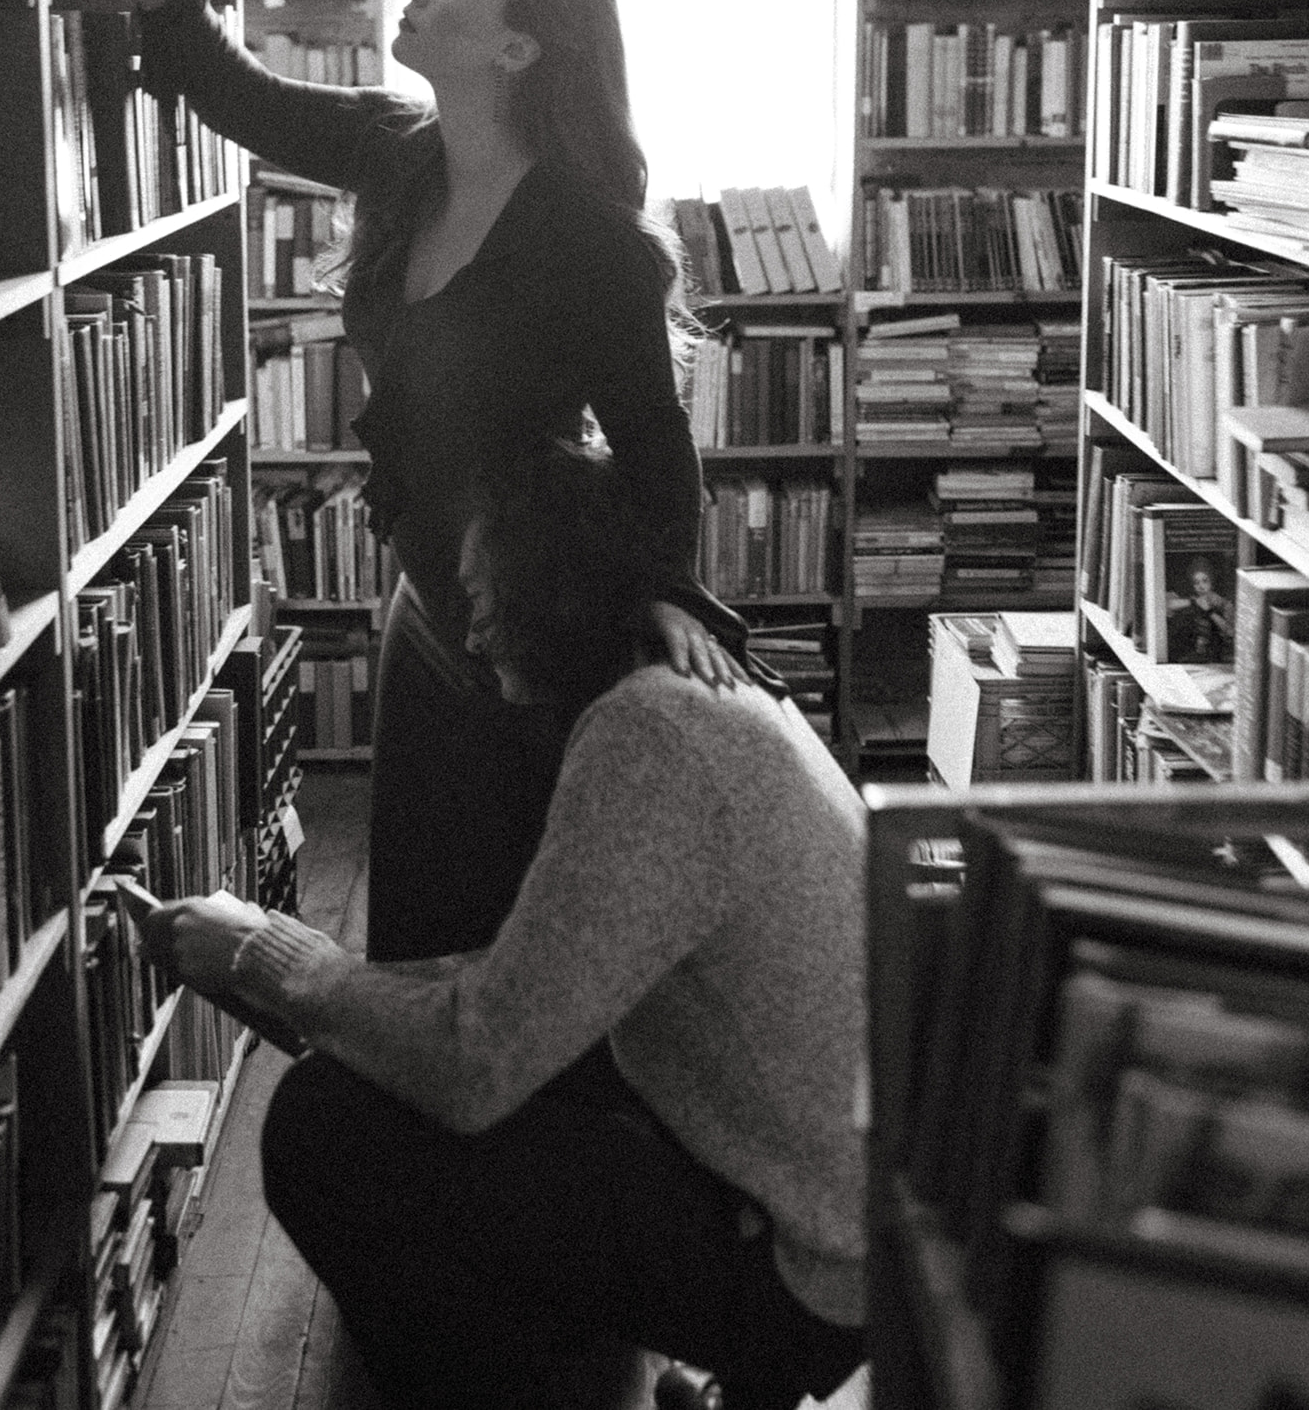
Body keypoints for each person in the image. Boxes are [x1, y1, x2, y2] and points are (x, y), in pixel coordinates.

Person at [140, 445, 868, 1410]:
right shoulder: (685, 698)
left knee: (324, 1129)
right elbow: (540, 980)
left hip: (810, 1276)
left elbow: (478, 1064)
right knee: (380, 1073)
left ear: (551, 597)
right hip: (834, 1216)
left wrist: (266, 957)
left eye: (484, 604)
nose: (474, 642)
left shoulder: (647, 740)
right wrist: (320, 988)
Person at [117, 0, 746, 963]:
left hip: (531, 630)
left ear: (516, 51)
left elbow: (655, 445)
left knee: (515, 930)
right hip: (422, 601)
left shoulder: (596, 244)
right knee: (411, 921)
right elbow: (240, 97)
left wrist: (666, 592)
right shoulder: (398, 153)